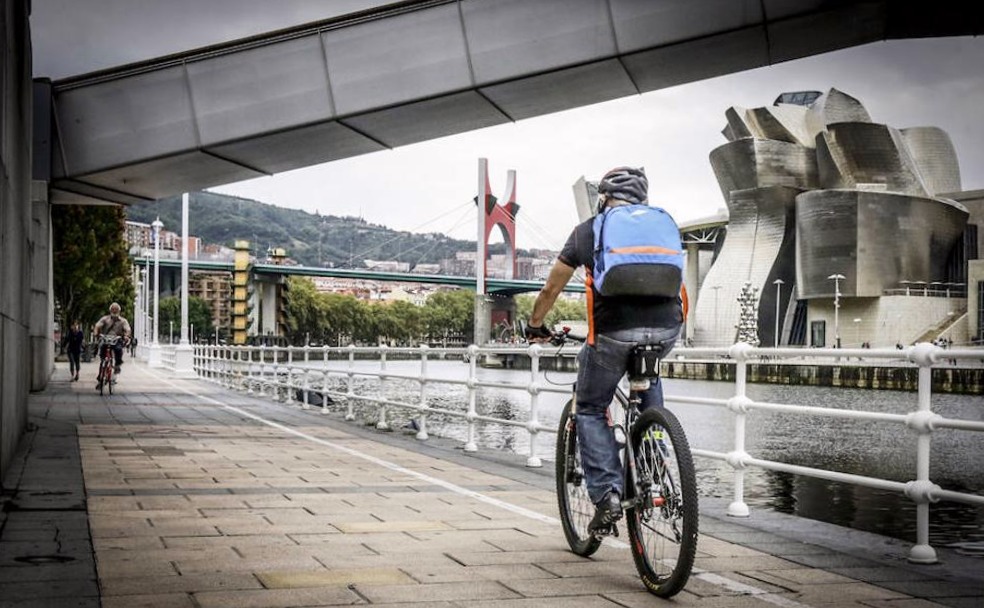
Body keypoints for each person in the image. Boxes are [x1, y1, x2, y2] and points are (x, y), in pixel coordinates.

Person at [525, 167, 684, 535]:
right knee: (647, 381)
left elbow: (551, 289)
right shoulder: (663, 225)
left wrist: (536, 326)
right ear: (643, 201)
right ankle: (656, 462)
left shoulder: (589, 230)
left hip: (612, 332)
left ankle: (608, 494)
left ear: (603, 199)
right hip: (666, 329)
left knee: (591, 408)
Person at [93, 302, 132, 388]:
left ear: (119, 311)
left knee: (118, 350)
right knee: (102, 356)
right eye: (113, 309)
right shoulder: (105, 319)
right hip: (105, 339)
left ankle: (117, 365)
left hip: (116, 340)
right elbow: (97, 326)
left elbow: (128, 329)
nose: (114, 311)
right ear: (110, 310)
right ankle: (101, 376)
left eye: (116, 309)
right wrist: (96, 333)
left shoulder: (123, 321)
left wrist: (126, 336)